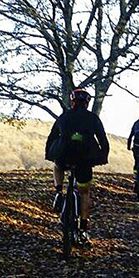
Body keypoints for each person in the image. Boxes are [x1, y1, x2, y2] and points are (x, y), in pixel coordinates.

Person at [45, 88, 109, 244]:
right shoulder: (93, 118)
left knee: (57, 164)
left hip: (63, 155)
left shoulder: (64, 117)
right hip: (85, 159)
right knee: (84, 192)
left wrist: (49, 153)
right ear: (87, 103)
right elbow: (103, 140)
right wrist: (103, 157)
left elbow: (52, 137)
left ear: (72, 101)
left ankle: (59, 191)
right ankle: (83, 229)